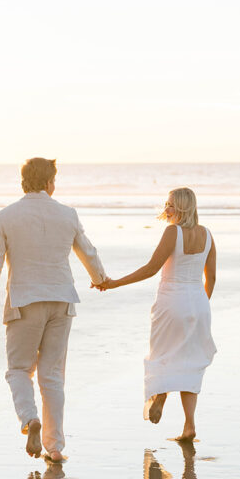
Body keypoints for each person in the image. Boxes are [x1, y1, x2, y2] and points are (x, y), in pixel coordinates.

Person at [0, 157, 107, 462]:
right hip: (62, 299)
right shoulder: (67, 214)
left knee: (19, 369)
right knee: (52, 375)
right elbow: (88, 251)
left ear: (24, 182)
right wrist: (100, 279)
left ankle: (30, 418)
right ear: (48, 183)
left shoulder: (6, 217)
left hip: (25, 302)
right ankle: (55, 447)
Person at [95, 187, 216, 440]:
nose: (166, 208)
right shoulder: (207, 234)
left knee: (162, 353)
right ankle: (189, 426)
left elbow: (151, 269)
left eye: (171, 204)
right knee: (191, 363)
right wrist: (200, 305)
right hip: (199, 304)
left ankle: (160, 396)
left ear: (182, 207)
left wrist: (114, 283)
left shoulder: (173, 232)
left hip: (172, 301)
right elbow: (211, 277)